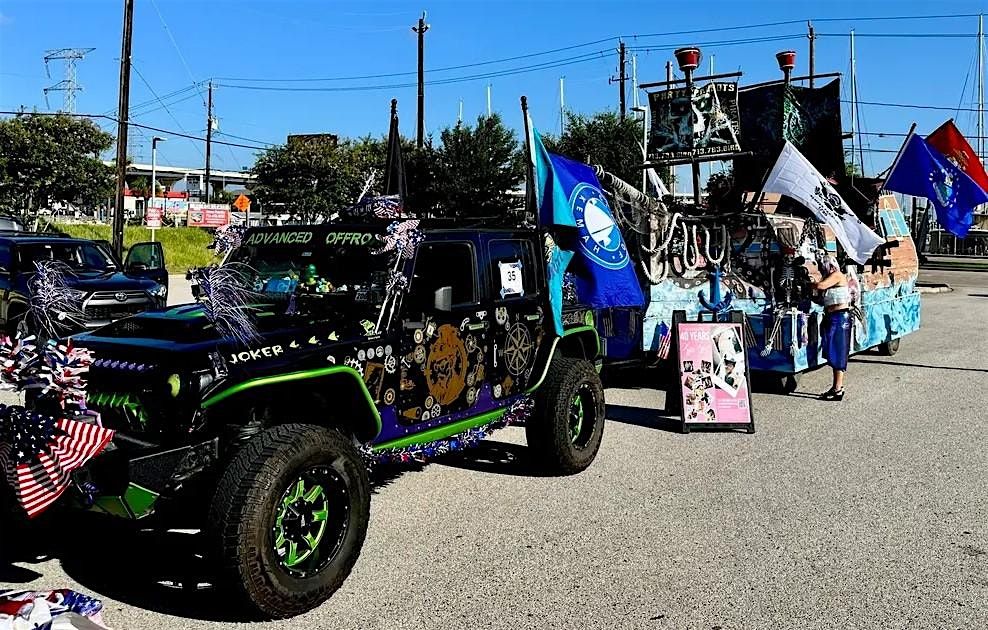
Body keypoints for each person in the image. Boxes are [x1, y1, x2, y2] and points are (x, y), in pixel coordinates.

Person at [812, 255, 851, 401]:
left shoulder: (837, 275)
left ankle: (838, 389)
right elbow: (821, 298)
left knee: (838, 351)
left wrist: (810, 283)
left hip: (841, 317)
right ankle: (836, 387)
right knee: (831, 351)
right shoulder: (829, 279)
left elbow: (820, 286)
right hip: (831, 317)